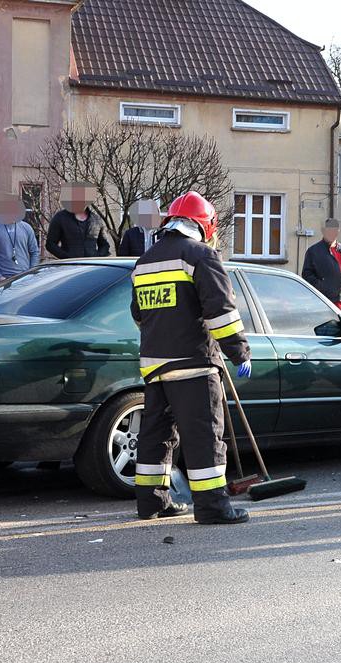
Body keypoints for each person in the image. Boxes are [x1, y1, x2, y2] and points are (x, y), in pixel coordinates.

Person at [131, 191, 252, 525]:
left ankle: (151, 502)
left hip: (155, 366)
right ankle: (213, 507)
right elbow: (221, 313)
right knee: (204, 436)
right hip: (194, 365)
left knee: (156, 436)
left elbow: (139, 314)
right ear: (205, 225)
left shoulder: (145, 262)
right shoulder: (201, 256)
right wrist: (238, 351)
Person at [0, 193, 40, 283]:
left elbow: (34, 252)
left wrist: (31, 274)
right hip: (1, 280)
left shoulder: (27, 228)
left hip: (24, 279)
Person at [46, 181, 110, 259]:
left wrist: (97, 257)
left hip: (92, 267)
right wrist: (66, 258)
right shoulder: (60, 218)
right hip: (70, 267)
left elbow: (105, 245)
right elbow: (50, 244)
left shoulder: (96, 220)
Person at [302, 218, 341, 310]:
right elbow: (307, 275)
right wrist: (321, 287)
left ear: (338, 231)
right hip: (323, 304)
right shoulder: (314, 251)